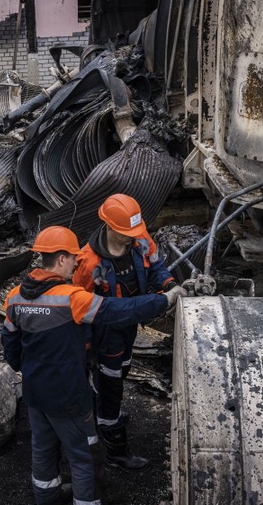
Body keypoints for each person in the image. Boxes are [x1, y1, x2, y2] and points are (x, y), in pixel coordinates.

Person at [2, 226, 184, 505]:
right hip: (69, 395)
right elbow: (116, 310)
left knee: (43, 446)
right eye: (73, 258)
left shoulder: (14, 298)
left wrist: (29, 369)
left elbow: (10, 346)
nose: (77, 262)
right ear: (60, 259)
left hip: (35, 390)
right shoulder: (70, 299)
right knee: (85, 455)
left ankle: (46, 501)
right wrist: (164, 300)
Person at [73, 193, 183, 471]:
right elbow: (80, 310)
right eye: (126, 233)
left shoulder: (141, 239)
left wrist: (169, 284)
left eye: (135, 231)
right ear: (110, 226)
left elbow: (156, 268)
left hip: (130, 326)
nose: (132, 237)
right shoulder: (89, 263)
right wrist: (86, 348)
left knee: (119, 371)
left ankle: (101, 403)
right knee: (111, 385)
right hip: (106, 331)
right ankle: (115, 451)